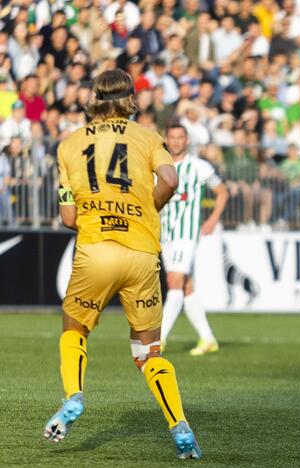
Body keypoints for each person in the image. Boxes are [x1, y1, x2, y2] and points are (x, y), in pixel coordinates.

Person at [45, 69, 201, 459]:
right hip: (141, 252)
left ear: (94, 98)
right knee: (149, 351)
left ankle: (74, 395)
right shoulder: (149, 138)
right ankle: (178, 423)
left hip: (96, 249)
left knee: (74, 326)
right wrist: (147, 208)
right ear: (130, 99)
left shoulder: (68, 146)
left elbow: (67, 218)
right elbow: (169, 178)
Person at [159, 122, 229, 356]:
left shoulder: (199, 167)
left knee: (174, 281)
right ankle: (208, 339)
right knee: (186, 286)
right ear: (166, 139)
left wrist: (212, 220)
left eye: (181, 137)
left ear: (186, 140)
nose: (177, 141)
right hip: (165, 234)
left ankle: (159, 340)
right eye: (173, 137)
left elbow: (222, 192)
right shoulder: (160, 168)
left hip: (186, 234)